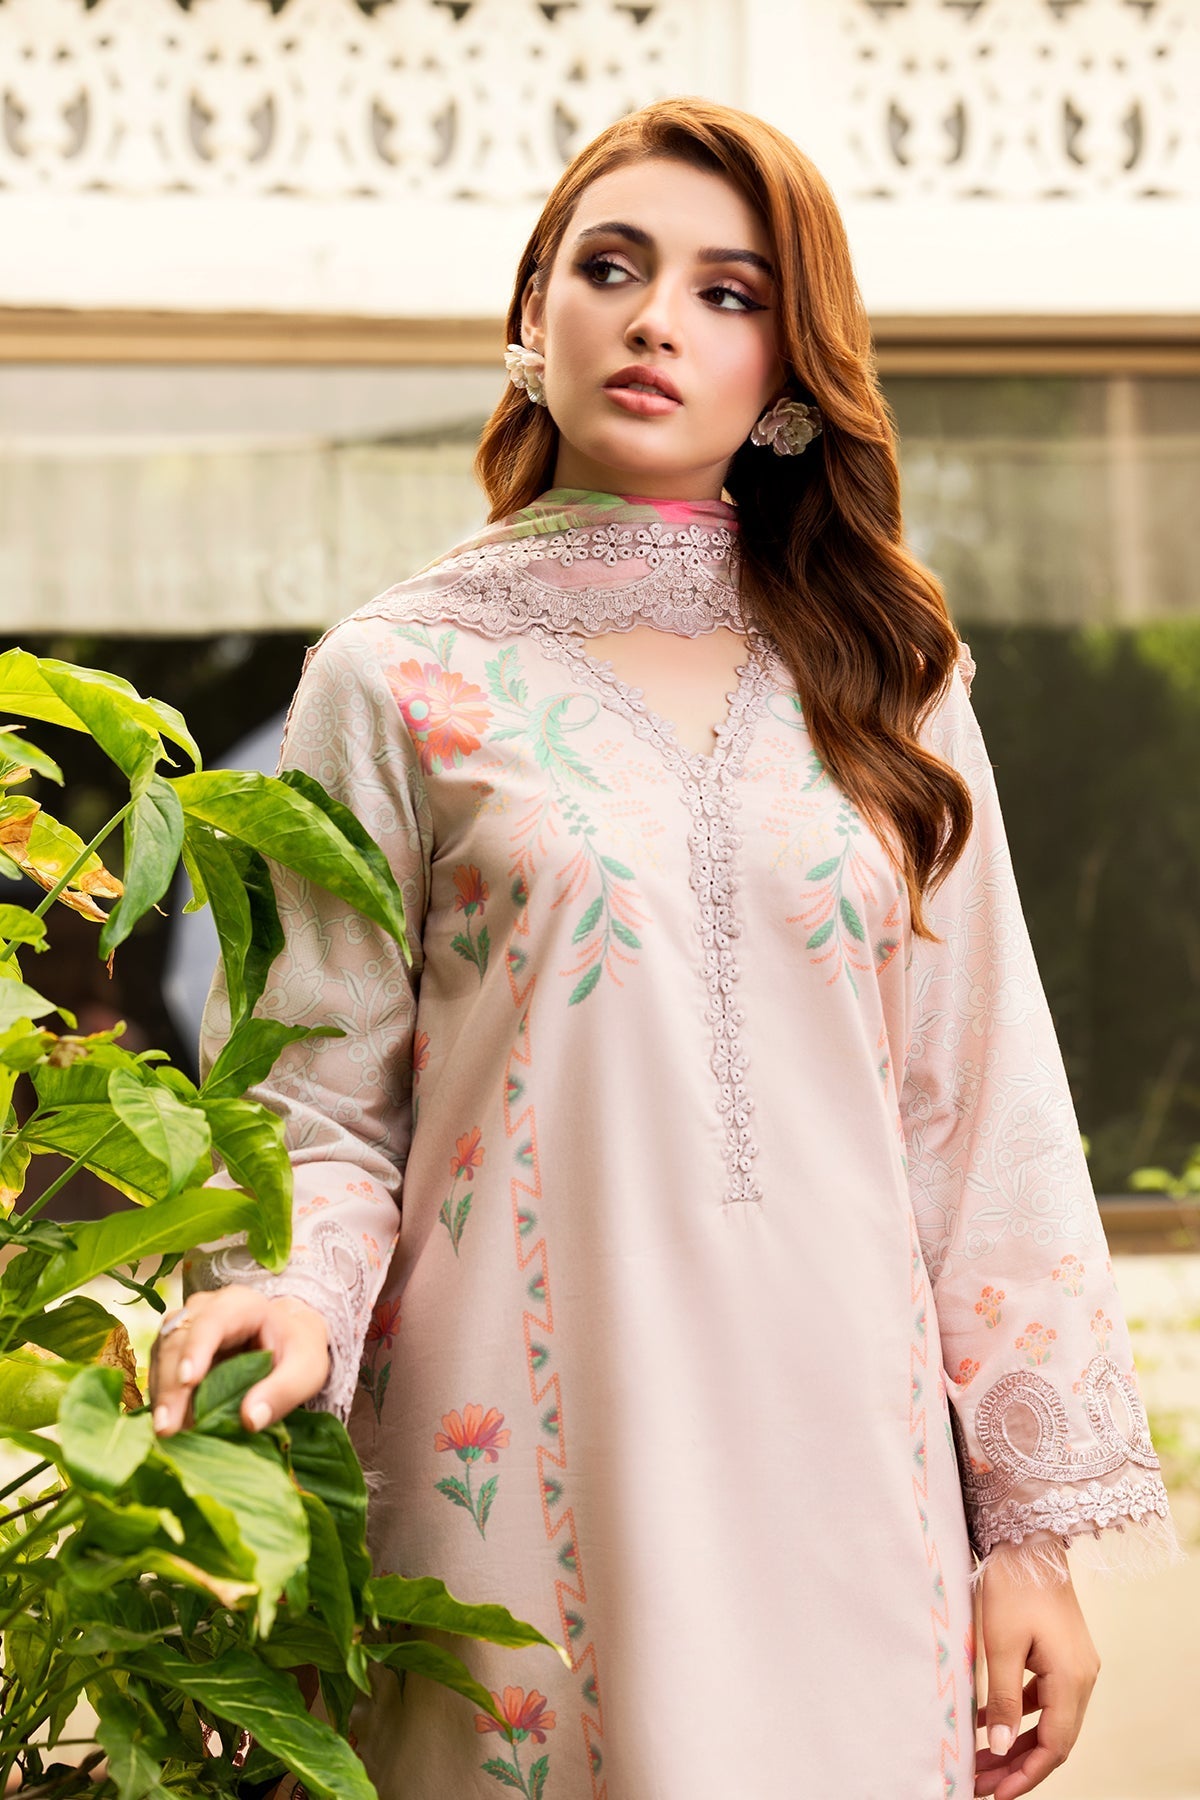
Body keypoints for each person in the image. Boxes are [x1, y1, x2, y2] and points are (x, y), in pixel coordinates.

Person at [149, 97, 1185, 1800]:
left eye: (728, 293)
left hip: (848, 1472)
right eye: (612, 268)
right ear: (531, 312)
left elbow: (980, 1106)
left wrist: (1028, 1535)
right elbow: (320, 1100)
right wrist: (290, 1295)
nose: (655, 322)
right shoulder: (395, 676)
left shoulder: (890, 675)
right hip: (512, 1454)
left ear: (789, 370)